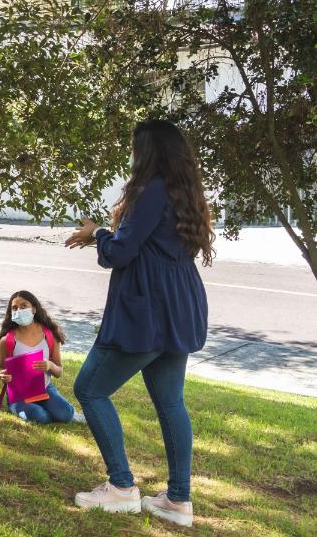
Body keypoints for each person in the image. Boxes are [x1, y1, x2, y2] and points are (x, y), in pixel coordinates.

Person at [65, 120, 213, 527]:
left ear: (147, 151)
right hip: (179, 307)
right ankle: (178, 501)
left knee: (90, 389)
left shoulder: (150, 191)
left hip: (146, 310)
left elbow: (122, 252)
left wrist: (97, 234)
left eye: (134, 147)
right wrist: (102, 234)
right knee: (170, 402)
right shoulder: (184, 192)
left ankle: (121, 487)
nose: (131, 155)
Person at [0, 291, 84, 424]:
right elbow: (1, 369)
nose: (19, 310)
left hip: (45, 389)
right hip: (19, 395)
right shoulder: (7, 340)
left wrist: (50, 365)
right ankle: (20, 408)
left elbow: (59, 372)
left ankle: (50, 408)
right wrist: (2, 375)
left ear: (34, 309)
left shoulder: (49, 336)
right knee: (41, 417)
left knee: (65, 414)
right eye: (14, 308)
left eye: (24, 306)